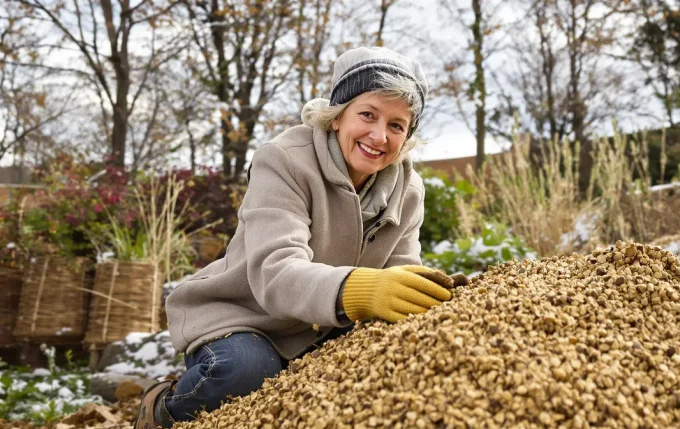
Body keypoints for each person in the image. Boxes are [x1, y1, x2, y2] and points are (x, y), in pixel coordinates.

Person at [133, 46, 453, 429]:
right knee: (246, 372)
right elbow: (275, 270)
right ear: (337, 117)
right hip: (246, 317)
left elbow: (400, 269)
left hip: (325, 327)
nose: (379, 135)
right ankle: (162, 411)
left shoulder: (408, 188)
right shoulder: (284, 160)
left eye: (397, 125)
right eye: (367, 114)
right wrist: (360, 290)